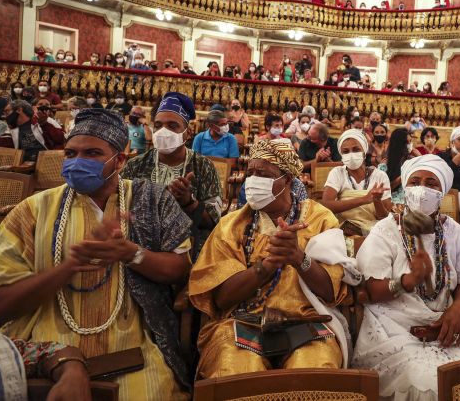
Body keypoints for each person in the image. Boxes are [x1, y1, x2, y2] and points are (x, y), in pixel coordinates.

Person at [0, 109, 193, 399]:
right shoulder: (32, 210)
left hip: (135, 346)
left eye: (92, 153)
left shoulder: (151, 199)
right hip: (47, 347)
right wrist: (67, 268)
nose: (77, 162)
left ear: (119, 161)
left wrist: (132, 254)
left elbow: (180, 269)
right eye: (70, 153)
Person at [188, 140, 354, 379]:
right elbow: (221, 299)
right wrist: (265, 267)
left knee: (314, 373)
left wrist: (298, 258)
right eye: (250, 173)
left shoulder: (319, 218)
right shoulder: (230, 225)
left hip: (306, 323)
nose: (253, 180)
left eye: (263, 174)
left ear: (286, 180)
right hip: (241, 322)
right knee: (235, 371)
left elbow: (331, 292)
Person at [353, 155, 460, 400]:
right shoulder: (386, 229)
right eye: (415, 182)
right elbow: (373, 290)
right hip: (394, 324)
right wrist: (408, 280)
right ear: (405, 188)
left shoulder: (455, 231)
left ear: (443, 192)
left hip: (448, 318)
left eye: (431, 184)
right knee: (427, 386)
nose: (421, 189)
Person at [122, 92, 222, 258]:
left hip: (191, 252)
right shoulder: (135, 165)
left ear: (187, 133)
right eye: (159, 125)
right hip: (141, 251)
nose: (163, 131)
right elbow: (120, 208)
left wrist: (188, 203)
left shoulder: (203, 167)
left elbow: (213, 221)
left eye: (172, 126)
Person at [321, 129, 391, 235]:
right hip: (342, 230)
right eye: (346, 151)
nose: (351, 154)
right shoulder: (337, 173)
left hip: (374, 232)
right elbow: (326, 205)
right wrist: (363, 199)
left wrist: (376, 200)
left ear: (364, 151)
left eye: (356, 149)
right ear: (341, 154)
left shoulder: (380, 176)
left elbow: (385, 218)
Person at [0, 100, 64, 161]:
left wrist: (44, 124)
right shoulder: (13, 129)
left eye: (7, 112)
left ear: (19, 110)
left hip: (49, 162)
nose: (4, 116)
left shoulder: (43, 120)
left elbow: (61, 139)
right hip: (24, 166)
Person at [378, 127, 415, 204]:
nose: (410, 145)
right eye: (407, 142)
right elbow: (383, 190)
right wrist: (404, 175)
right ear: (399, 144)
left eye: (411, 142)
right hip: (391, 203)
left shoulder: (411, 162)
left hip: (409, 204)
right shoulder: (384, 165)